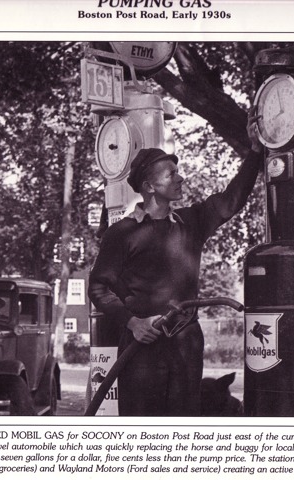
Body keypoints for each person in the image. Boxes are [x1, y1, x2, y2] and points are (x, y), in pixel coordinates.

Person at [88, 109, 264, 416]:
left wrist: (256, 152)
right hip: (141, 345)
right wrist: (133, 323)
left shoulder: (191, 221)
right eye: (171, 174)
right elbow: (99, 289)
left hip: (186, 342)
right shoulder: (122, 233)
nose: (180, 178)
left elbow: (232, 199)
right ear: (149, 186)